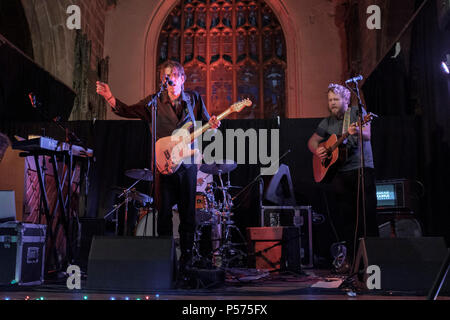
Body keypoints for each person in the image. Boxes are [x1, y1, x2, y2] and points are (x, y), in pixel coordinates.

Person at [96, 60, 221, 285]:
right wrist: (109, 97)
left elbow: (205, 120)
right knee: (162, 213)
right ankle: (167, 260)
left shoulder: (193, 99)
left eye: (175, 74)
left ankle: (187, 263)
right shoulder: (154, 103)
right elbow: (127, 110)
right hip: (164, 165)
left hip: (188, 163)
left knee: (188, 215)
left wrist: (212, 123)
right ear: (163, 80)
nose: (171, 78)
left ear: (182, 78)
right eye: (167, 75)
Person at [308, 83, 378, 272]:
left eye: (336, 99)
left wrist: (357, 131)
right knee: (346, 219)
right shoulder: (328, 122)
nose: (332, 103)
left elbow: (368, 135)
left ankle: (372, 262)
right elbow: (312, 141)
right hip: (341, 174)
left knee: (366, 215)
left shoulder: (357, 112)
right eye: (330, 100)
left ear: (346, 100)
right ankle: (352, 260)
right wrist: (319, 149)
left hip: (361, 169)